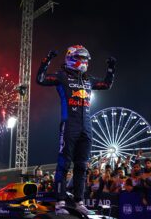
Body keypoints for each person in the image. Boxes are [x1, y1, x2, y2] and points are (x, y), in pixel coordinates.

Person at [36, 45, 116, 215]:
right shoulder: (62, 76)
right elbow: (40, 79)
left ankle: (79, 201)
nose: (85, 61)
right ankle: (60, 202)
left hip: (86, 126)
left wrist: (111, 68)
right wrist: (46, 60)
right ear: (72, 58)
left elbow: (107, 84)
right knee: (63, 164)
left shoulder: (88, 79)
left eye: (86, 59)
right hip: (69, 124)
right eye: (82, 58)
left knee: (82, 166)